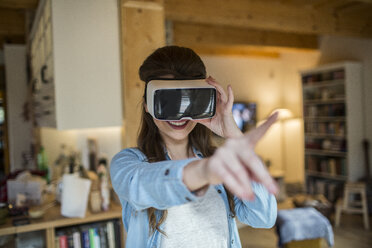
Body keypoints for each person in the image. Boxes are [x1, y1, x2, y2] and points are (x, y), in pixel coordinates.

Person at [110, 46, 279, 248]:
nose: (180, 115)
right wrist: (205, 171)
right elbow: (143, 186)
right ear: (147, 105)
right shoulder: (128, 163)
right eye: (168, 102)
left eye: (189, 101)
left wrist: (233, 134)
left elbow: (264, 217)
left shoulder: (216, 157)